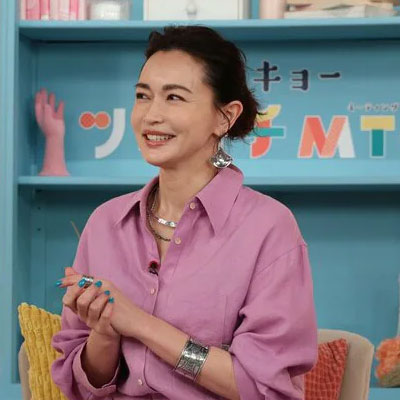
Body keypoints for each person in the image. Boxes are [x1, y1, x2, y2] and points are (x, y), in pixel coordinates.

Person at [51, 25, 318, 400]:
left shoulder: (268, 227)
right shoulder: (105, 223)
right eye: (143, 96)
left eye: (174, 97)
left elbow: (262, 387)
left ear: (225, 117)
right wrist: (105, 333)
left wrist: (140, 324)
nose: (151, 115)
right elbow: (82, 386)